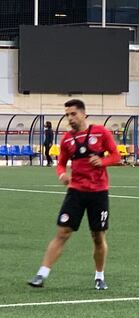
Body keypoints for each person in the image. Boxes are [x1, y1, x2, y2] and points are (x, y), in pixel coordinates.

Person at [28, 99, 121, 290]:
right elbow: (61, 162)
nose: (69, 118)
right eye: (67, 115)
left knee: (97, 236)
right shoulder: (67, 140)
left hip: (98, 192)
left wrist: (102, 162)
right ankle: (41, 274)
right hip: (76, 191)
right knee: (63, 232)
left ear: (83, 114)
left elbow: (116, 155)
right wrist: (62, 174)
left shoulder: (100, 132)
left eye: (73, 114)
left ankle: (99, 276)